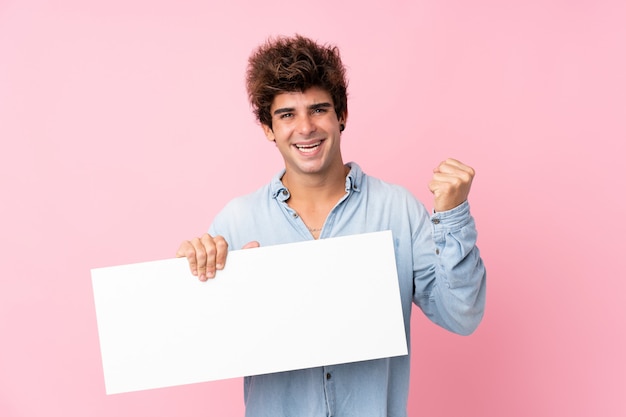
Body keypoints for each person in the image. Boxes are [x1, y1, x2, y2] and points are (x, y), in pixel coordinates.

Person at [176, 34, 486, 417]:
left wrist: (452, 216)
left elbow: (461, 315)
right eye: (286, 114)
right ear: (268, 128)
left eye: (319, 109)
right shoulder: (237, 221)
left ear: (342, 115)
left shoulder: (398, 210)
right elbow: (208, 341)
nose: (305, 128)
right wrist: (197, 277)